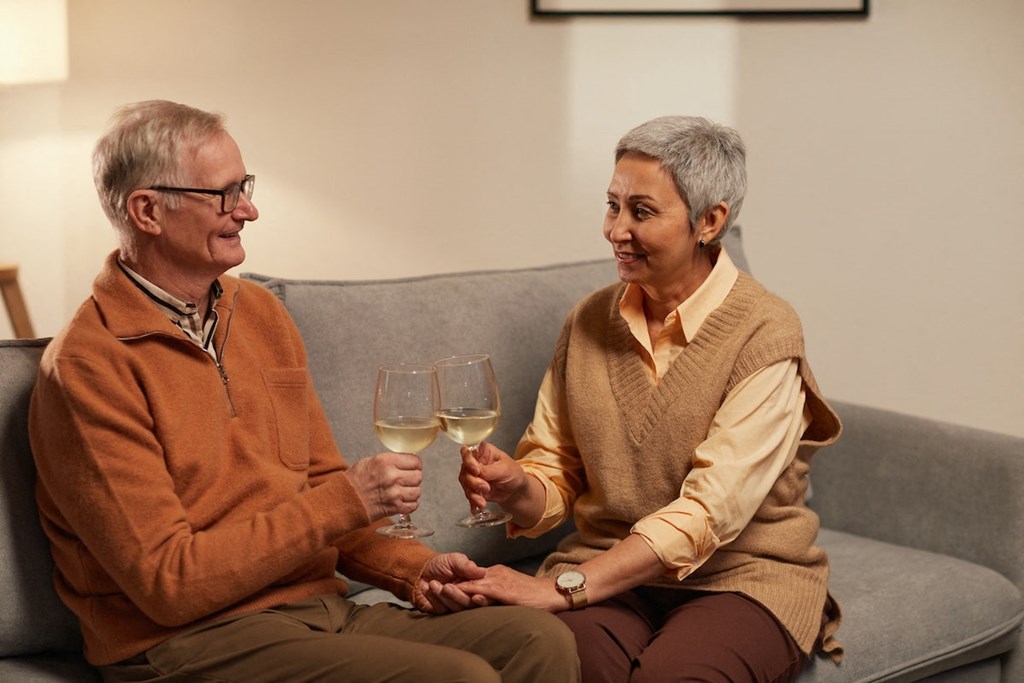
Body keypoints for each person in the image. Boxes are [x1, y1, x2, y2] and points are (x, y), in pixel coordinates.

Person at [28, 100, 579, 683]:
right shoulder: (91, 365)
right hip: (186, 643)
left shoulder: (259, 314)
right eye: (223, 195)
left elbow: (321, 496)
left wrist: (415, 571)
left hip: (318, 612)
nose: (249, 210)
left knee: (539, 640)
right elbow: (171, 585)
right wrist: (347, 499)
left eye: (244, 186)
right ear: (147, 211)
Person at [451, 115, 843, 683]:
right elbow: (556, 474)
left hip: (741, 577)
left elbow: (711, 511)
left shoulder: (766, 331)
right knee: (558, 663)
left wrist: (563, 589)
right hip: (609, 570)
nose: (615, 230)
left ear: (709, 221)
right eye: (613, 206)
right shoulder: (588, 321)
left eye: (642, 211)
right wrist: (518, 488)